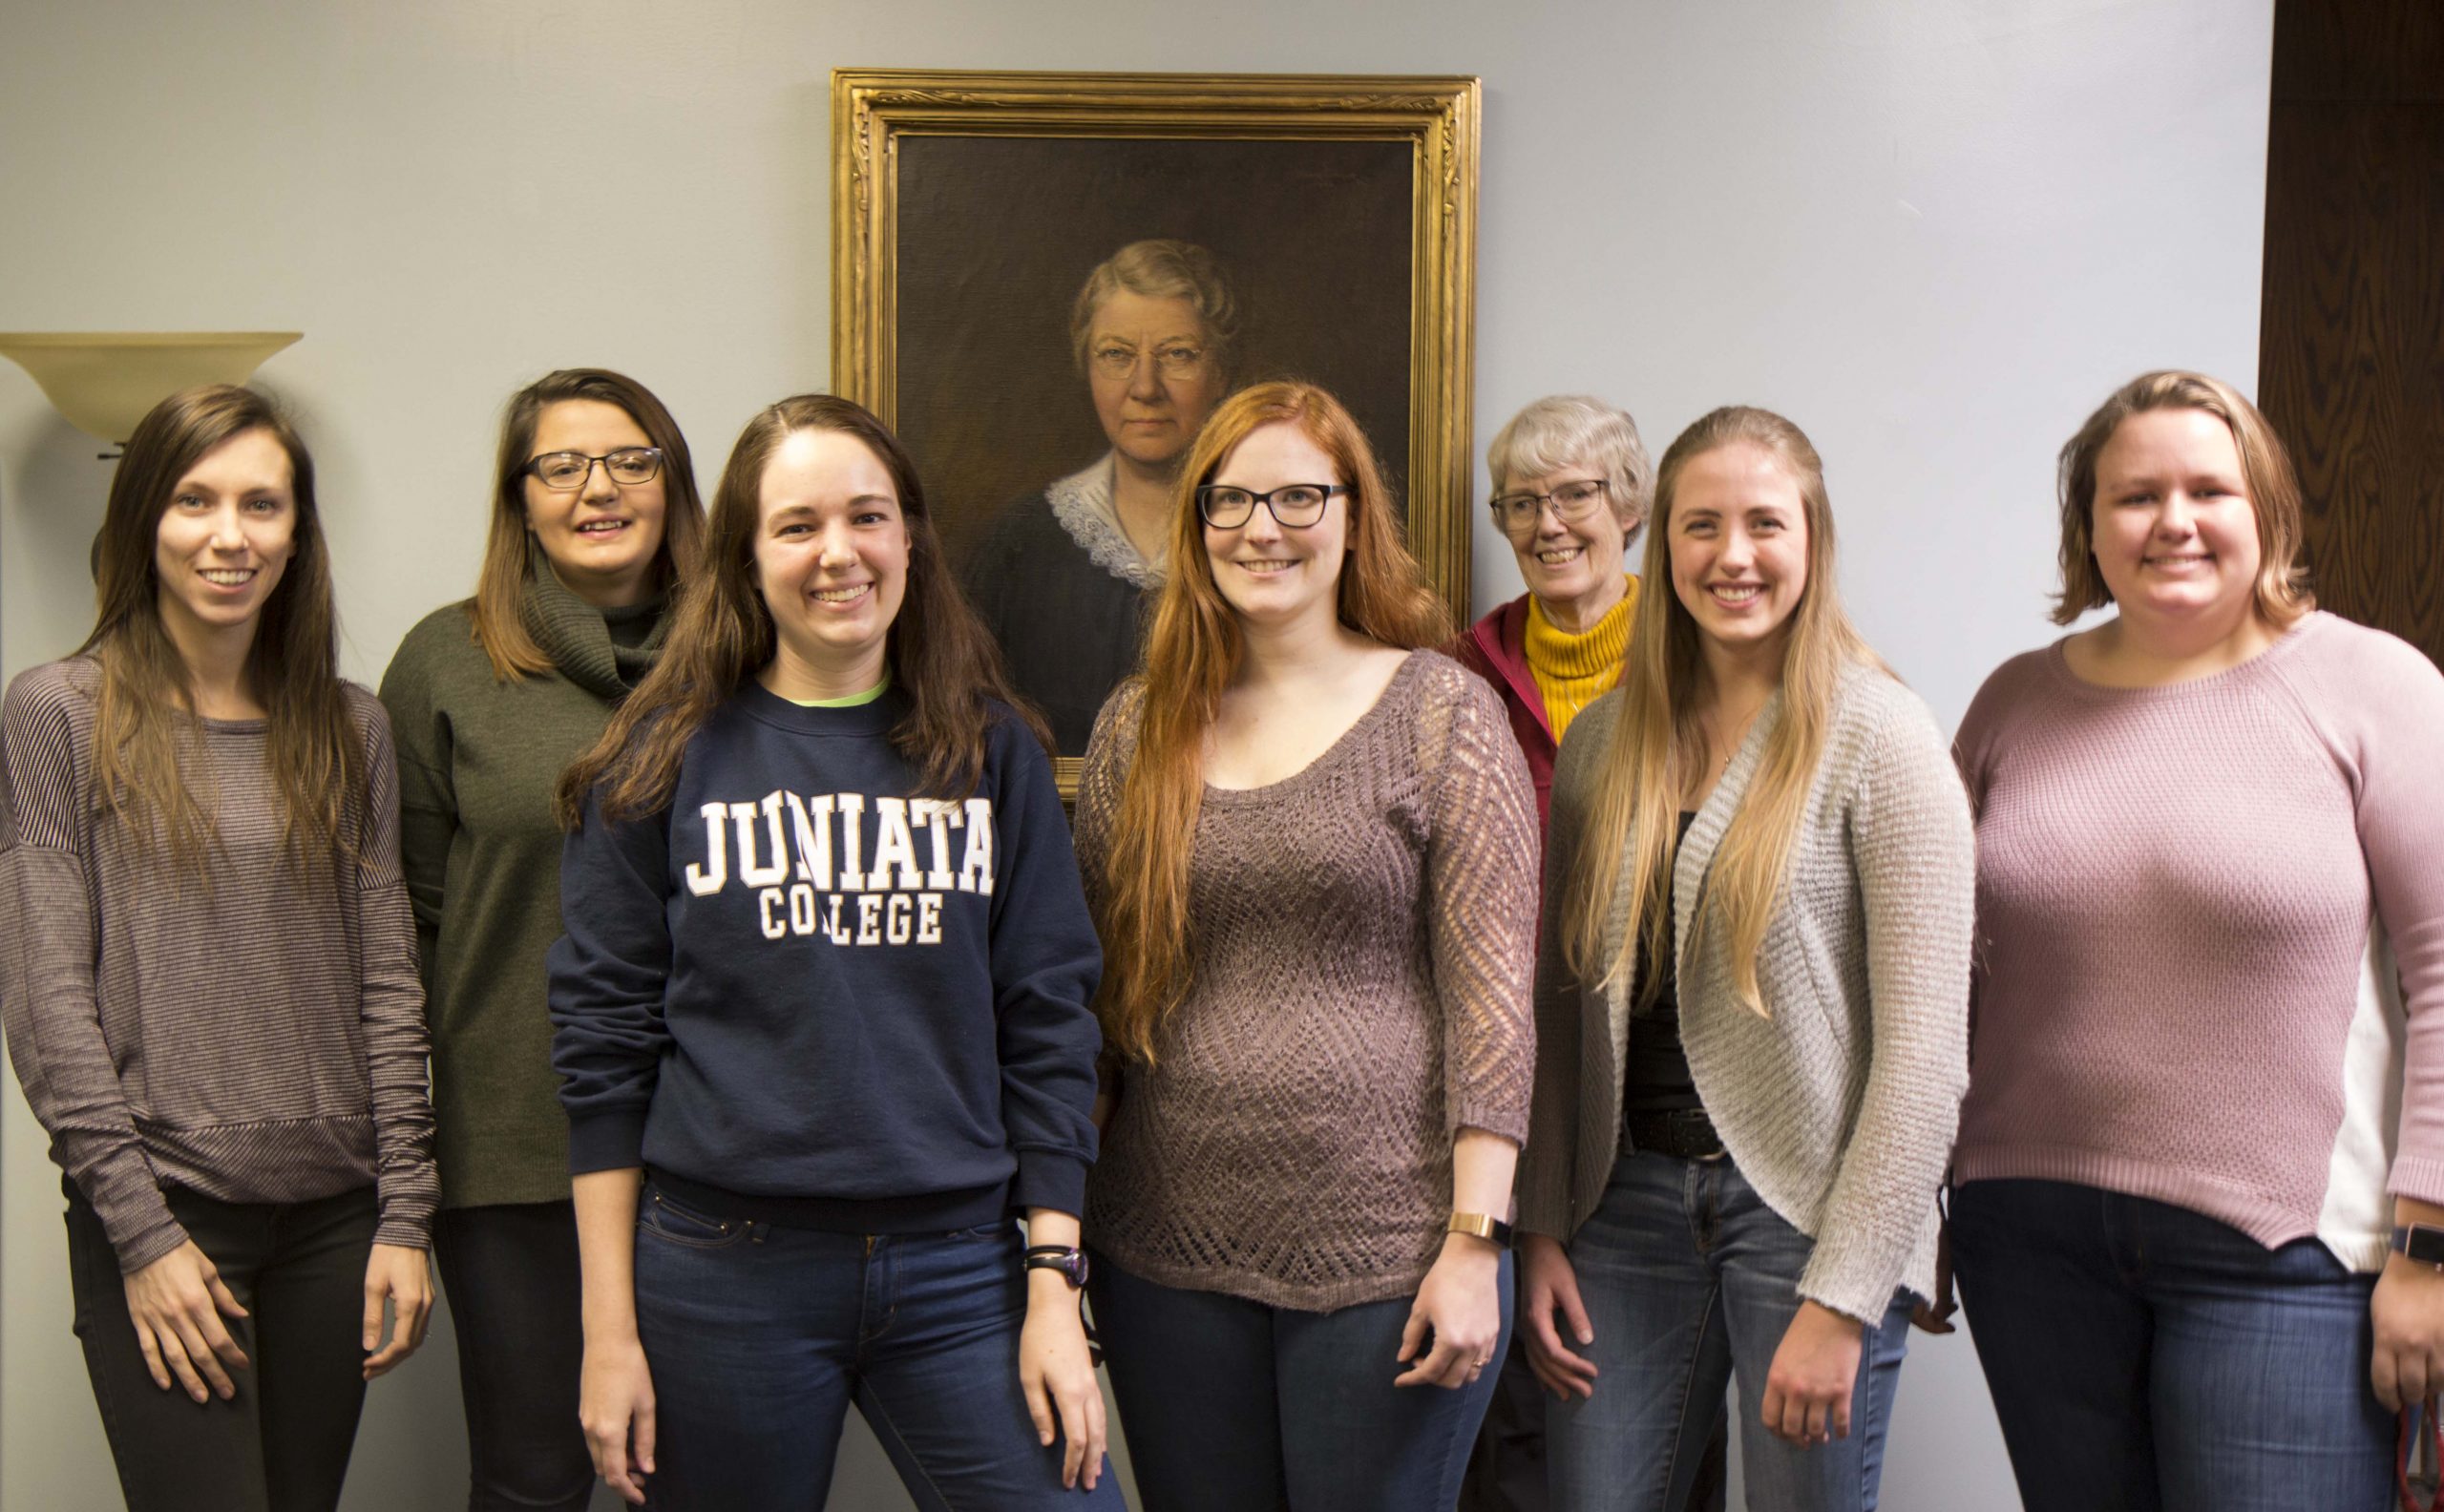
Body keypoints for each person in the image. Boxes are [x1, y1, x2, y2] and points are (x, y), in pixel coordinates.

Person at [546, 393, 1118, 1509]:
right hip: (721, 1270)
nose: (837, 553)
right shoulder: (658, 764)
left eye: (866, 517)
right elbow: (602, 1055)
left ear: (909, 537)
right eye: (796, 525)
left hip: (967, 1268)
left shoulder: (991, 751)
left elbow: (1050, 1023)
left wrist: (1054, 1283)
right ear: (746, 559)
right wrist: (607, 1332)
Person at [1946, 369, 2444, 1512]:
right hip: (2028, 1240)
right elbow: (1945, 971)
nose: (2173, 521)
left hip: (2283, 1260)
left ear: (2264, 508)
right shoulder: (2013, 703)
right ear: (2088, 526)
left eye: (2207, 489)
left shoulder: (2367, 685)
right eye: (2134, 496)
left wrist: (2426, 1250)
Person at [1074, 379, 1539, 1511]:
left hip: (1391, 1252)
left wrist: (1476, 1242)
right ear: (1195, 531)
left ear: (1349, 514)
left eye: (1295, 496)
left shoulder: (1440, 711)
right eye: (1229, 502)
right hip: (1161, 1250)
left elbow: (1494, 1001)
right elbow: (1085, 1000)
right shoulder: (1137, 726)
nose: (1261, 528)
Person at [1516, 406, 1973, 1512]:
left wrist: (1846, 1296)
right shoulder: (1600, 745)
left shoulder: (1882, 734)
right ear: (1657, 542)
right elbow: (1561, 1018)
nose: (1732, 556)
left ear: (1812, 540)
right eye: (1700, 525)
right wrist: (1538, 1228)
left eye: (1764, 523)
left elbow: (1923, 1060)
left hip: (1808, 1222)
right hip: (1618, 1213)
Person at [0, 384, 438, 1511]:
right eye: (194, 500)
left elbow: (388, 984)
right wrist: (140, 1237)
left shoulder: (352, 728)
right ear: (146, 517)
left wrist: (405, 1213)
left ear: (298, 533)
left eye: (262, 503)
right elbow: (48, 998)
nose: (229, 535)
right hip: (168, 1209)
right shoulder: (59, 712)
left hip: (338, 1222)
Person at [379, 368, 705, 1512]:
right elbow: (410, 926)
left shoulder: (748, 654)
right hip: (513, 1142)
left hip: (715, 1146)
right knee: (532, 1481)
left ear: (673, 483)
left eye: (628, 459)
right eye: (559, 466)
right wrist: (406, 1173)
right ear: (519, 501)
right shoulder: (445, 662)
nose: (596, 488)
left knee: (704, 1476)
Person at [963, 238, 1237, 751]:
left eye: (1178, 354)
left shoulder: (1262, 538)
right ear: (1086, 367)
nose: (1145, 387)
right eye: (1116, 355)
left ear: (1219, 372)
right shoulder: (1019, 546)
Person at [1453, 394, 1653, 828]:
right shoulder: (1460, 673)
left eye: (1577, 494)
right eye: (1523, 504)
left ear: (1630, 507)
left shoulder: (1695, 657)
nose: (1548, 525)